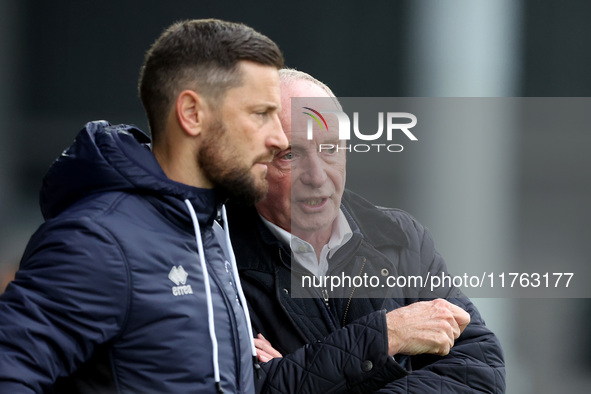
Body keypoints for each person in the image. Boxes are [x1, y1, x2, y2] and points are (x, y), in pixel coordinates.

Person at [0, 19, 289, 393]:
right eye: (261, 114)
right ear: (192, 113)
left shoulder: (208, 232)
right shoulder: (96, 241)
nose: (280, 139)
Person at [227, 69, 506, 393]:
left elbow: (481, 375)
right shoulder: (219, 260)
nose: (317, 176)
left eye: (330, 148)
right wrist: (389, 334)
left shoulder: (400, 237)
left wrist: (304, 372)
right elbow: (255, 389)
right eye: (290, 155)